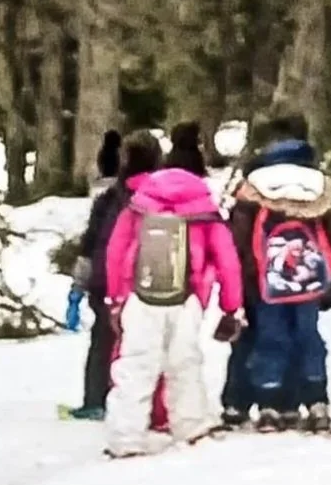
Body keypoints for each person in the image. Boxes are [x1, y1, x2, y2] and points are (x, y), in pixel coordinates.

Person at [102, 136, 244, 456]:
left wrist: (115, 297)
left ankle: (125, 437)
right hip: (188, 298)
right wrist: (231, 306)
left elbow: (115, 252)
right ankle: (191, 426)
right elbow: (228, 263)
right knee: (185, 363)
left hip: (140, 296)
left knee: (136, 365)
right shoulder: (205, 213)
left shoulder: (137, 208)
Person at [226, 115, 331, 431]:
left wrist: (242, 280)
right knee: (309, 337)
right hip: (310, 281)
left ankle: (269, 401)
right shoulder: (320, 185)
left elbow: (240, 237)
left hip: (267, 281)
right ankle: (317, 400)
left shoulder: (253, 186)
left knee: (271, 338)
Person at [66, 131, 147, 421]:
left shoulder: (109, 199)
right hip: (151, 281)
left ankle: (96, 398)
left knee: (103, 339)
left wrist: (78, 286)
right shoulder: (162, 197)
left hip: (106, 282)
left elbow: (89, 245)